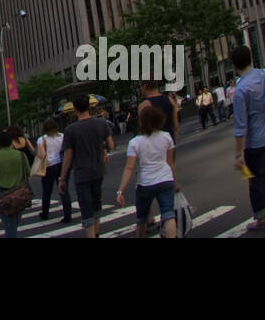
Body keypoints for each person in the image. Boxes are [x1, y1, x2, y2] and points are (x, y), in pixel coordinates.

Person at [232, 44, 265, 230]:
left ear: (235, 66)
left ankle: (261, 218)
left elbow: (241, 127)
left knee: (255, 179)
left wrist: (239, 154)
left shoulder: (240, 91)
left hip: (255, 142)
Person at [116, 104, 178, 237]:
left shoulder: (135, 142)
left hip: (145, 183)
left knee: (141, 219)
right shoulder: (166, 137)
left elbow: (129, 167)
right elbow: (170, 163)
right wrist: (175, 181)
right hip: (165, 179)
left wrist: (120, 190)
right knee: (168, 215)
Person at [58, 94, 115, 238]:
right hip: (98, 170)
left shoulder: (70, 130)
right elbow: (111, 145)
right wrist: (102, 150)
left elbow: (68, 155)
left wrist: (62, 177)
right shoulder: (101, 123)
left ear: (75, 109)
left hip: (82, 172)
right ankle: (96, 231)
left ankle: (91, 235)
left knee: (86, 206)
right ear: (89, 106)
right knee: (97, 202)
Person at [0, 130, 31, 238]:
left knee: (9, 224)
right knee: (14, 222)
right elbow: (28, 172)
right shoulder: (21, 155)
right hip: (19, 193)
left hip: (3, 193)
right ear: (11, 142)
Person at [35, 117, 72, 223]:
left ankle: (45, 213)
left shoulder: (41, 139)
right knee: (63, 190)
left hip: (49, 166)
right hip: (61, 164)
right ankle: (67, 214)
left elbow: (41, 155)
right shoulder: (62, 136)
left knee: (47, 191)